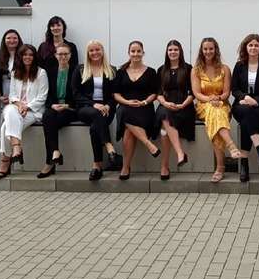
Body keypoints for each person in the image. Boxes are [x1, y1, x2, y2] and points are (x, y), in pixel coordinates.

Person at [191, 38, 242, 182]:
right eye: (205, 49)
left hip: (222, 104)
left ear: (216, 50)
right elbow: (197, 93)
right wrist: (210, 100)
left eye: (211, 49)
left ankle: (220, 168)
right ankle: (230, 146)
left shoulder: (225, 69)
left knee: (216, 116)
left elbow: (226, 93)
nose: (208, 51)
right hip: (203, 105)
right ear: (201, 51)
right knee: (214, 113)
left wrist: (218, 98)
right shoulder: (196, 70)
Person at [0, 45, 49, 179]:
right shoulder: (15, 73)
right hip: (16, 108)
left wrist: (27, 107)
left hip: (33, 111)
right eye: (25, 55)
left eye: (31, 55)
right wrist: (19, 105)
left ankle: (5, 160)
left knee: (5, 127)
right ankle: (16, 147)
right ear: (20, 57)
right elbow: (12, 95)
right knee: (9, 109)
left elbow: (42, 96)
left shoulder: (41, 73)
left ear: (34, 57)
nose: (28, 57)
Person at [72, 40, 119, 181]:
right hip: (85, 108)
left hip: (106, 109)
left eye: (97, 49)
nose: (95, 53)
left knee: (94, 128)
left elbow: (114, 94)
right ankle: (109, 147)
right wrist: (93, 104)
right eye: (91, 50)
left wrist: (109, 105)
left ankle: (97, 165)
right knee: (96, 114)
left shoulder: (112, 70)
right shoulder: (80, 69)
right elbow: (76, 94)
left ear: (102, 51)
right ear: (88, 53)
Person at [113, 41, 160, 179]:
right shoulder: (121, 72)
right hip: (125, 106)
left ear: (143, 53)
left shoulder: (151, 72)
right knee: (124, 111)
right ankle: (148, 144)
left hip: (144, 108)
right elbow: (116, 94)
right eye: (133, 51)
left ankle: (125, 167)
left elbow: (155, 93)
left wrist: (144, 102)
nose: (136, 54)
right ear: (129, 53)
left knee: (128, 130)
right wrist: (128, 102)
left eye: (138, 51)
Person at [231, 34, 259, 182]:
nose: (253, 48)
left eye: (256, 45)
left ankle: (244, 163)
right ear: (246, 47)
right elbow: (234, 89)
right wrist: (244, 97)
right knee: (247, 113)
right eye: (250, 45)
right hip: (242, 104)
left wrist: (256, 101)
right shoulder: (239, 66)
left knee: (246, 120)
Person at [155, 40, 196, 179]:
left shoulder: (188, 68)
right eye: (170, 50)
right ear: (167, 52)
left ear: (180, 52)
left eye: (176, 49)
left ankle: (164, 166)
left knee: (164, 130)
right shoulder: (161, 70)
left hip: (184, 106)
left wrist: (183, 104)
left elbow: (193, 92)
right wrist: (165, 103)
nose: (173, 52)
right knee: (164, 114)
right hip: (166, 105)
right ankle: (180, 153)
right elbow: (158, 93)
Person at [37, 44, 78, 178]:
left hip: (70, 109)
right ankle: (55, 152)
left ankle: (50, 162)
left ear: (70, 55)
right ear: (55, 55)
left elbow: (80, 94)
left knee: (50, 122)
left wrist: (67, 105)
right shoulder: (50, 71)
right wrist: (52, 105)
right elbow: (46, 93)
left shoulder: (77, 70)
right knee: (47, 116)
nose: (63, 57)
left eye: (66, 54)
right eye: (60, 54)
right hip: (54, 107)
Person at [0, 29, 23, 141]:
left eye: (15, 38)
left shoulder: (24, 54)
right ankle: (3, 148)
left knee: (15, 121)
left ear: (19, 40)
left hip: (19, 92)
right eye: (8, 38)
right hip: (1, 92)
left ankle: (15, 145)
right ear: (4, 40)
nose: (12, 40)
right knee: (2, 122)